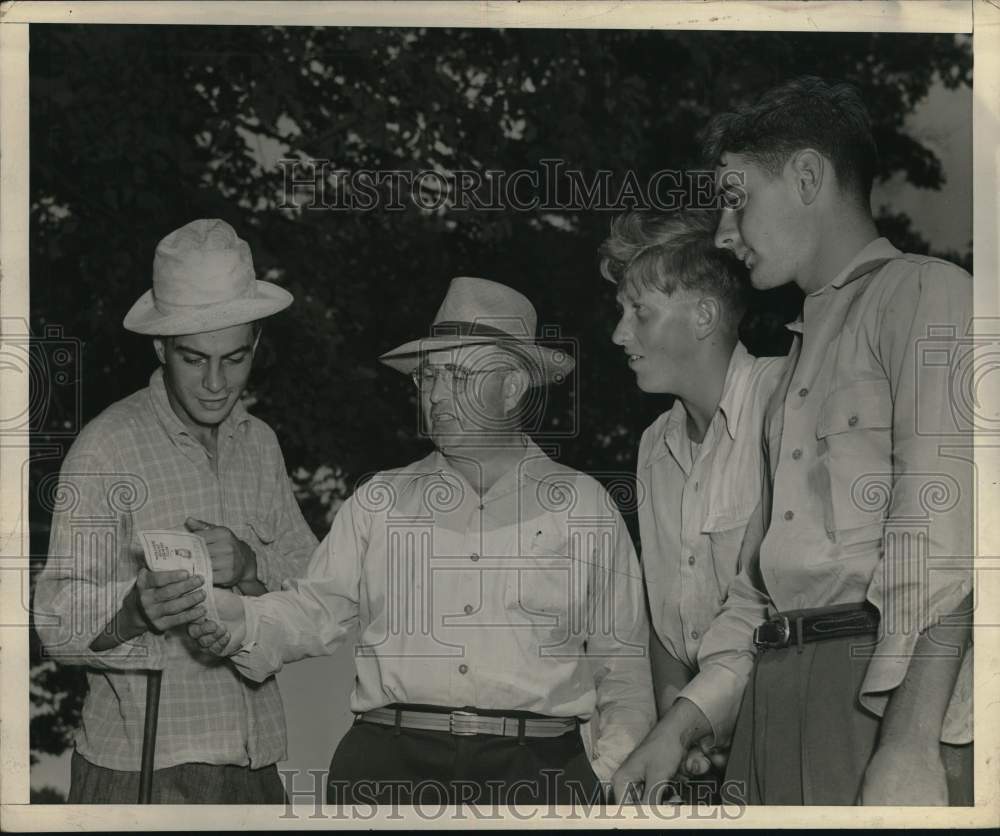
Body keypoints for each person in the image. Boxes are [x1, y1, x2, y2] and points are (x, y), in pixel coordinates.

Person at [612, 76, 973, 806]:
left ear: (807, 175)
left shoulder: (929, 296)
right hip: (776, 690)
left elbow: (948, 541)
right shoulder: (800, 360)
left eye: (738, 197)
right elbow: (756, 584)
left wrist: (907, 745)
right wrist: (678, 727)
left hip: (876, 691)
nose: (722, 230)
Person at [189, 276, 656, 806]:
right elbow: (310, 610)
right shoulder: (379, 500)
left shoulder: (582, 504)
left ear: (513, 386)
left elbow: (624, 663)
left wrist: (602, 771)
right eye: (427, 378)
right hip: (387, 772)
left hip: (541, 773)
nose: (434, 395)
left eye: (456, 375)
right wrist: (238, 621)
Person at [34, 219, 319, 803]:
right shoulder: (107, 445)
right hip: (141, 771)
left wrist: (247, 564)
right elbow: (52, 619)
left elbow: (319, 589)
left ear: (257, 344)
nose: (216, 383)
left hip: (256, 766)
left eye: (234, 359)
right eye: (194, 359)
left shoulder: (260, 442)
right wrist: (133, 610)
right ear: (160, 346)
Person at [600, 209, 783, 800]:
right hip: (699, 745)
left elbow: (773, 604)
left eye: (640, 313)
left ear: (704, 315)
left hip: (786, 725)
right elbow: (665, 616)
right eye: (622, 313)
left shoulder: (784, 403)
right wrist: (676, 725)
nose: (619, 334)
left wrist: (682, 725)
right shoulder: (655, 444)